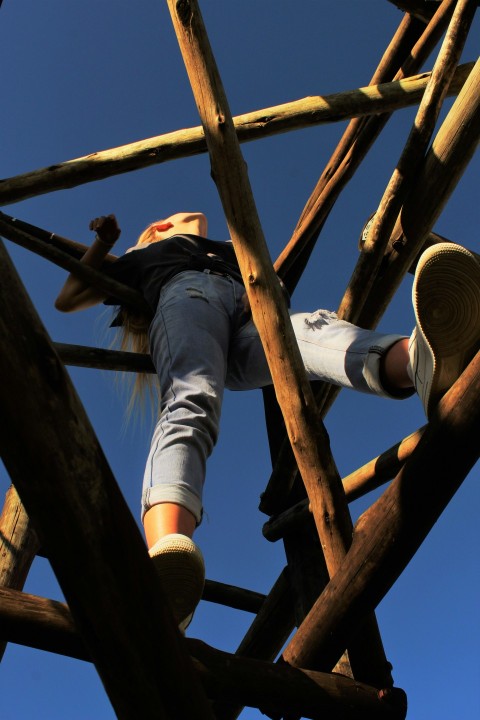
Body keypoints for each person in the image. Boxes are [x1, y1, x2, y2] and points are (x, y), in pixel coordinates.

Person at [55, 211, 480, 631]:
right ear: (159, 227)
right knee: (191, 397)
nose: (192, 216)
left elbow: (272, 286)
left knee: (312, 331)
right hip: (187, 299)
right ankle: (167, 553)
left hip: (249, 317)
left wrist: (265, 284)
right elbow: (69, 297)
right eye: (176, 216)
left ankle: (419, 363)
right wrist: (105, 244)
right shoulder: (152, 253)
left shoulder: (228, 252)